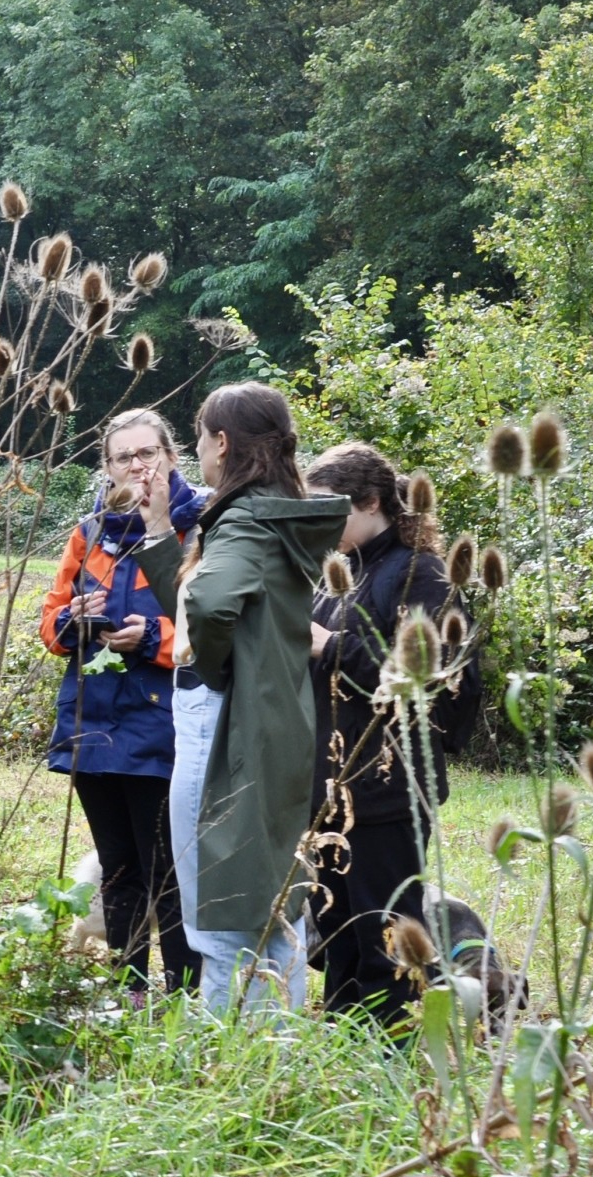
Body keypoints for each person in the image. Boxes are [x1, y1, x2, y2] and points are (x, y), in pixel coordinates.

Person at [135, 383, 346, 1014]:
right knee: (271, 902)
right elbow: (199, 602)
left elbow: (208, 605)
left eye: (199, 438)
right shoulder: (276, 516)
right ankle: (276, 1058)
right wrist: (154, 528)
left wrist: (214, 666)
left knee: (221, 910)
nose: (198, 451)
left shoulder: (246, 518)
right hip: (276, 718)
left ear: (221, 443)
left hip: (225, 720)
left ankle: (226, 1065)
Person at [38, 410, 204, 997]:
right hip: (94, 718)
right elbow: (50, 623)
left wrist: (152, 638)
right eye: (122, 457)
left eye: (147, 453)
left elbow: (207, 624)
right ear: (106, 468)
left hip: (163, 720)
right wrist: (74, 621)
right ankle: (130, 989)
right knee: (118, 867)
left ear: (172, 456)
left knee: (169, 870)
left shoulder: (199, 525)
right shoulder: (89, 532)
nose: (137, 465)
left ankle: (185, 995)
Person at [305, 442, 456, 1023]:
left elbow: (430, 673)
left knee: (383, 931)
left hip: (389, 788)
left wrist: (329, 646)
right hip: (338, 785)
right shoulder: (348, 569)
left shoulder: (421, 572)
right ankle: (346, 1046)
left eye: (328, 508)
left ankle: (388, 1050)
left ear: (370, 502)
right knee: (338, 932)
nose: (318, 523)